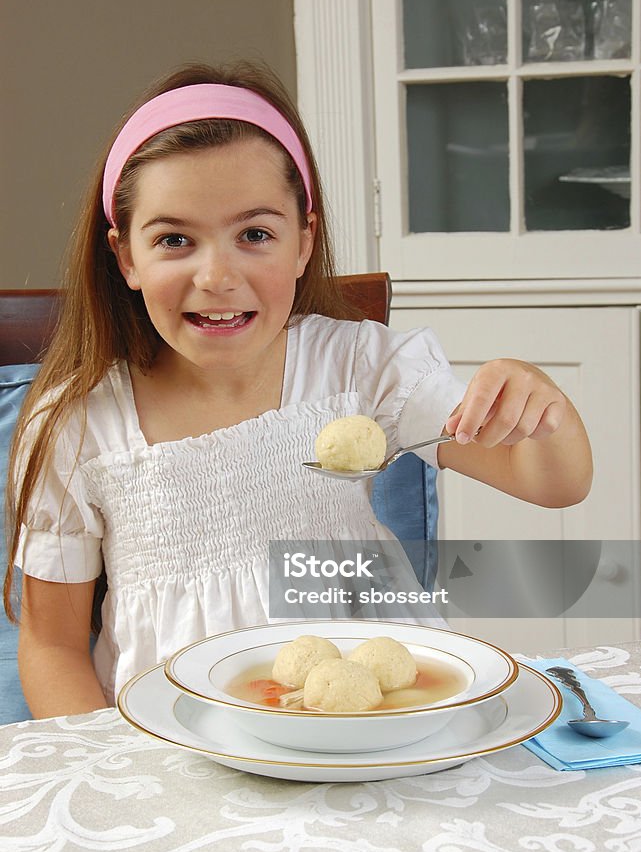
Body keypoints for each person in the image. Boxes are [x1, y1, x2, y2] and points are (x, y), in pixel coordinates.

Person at [3, 61, 592, 719]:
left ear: (303, 241)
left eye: (254, 234)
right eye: (174, 239)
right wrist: (109, 778)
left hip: (375, 726)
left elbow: (551, 484)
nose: (217, 275)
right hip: (173, 753)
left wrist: (541, 407)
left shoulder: (361, 370)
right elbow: (51, 645)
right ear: (126, 257)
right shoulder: (78, 424)